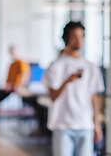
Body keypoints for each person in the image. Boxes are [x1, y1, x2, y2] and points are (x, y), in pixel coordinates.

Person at [42, 21, 105, 156]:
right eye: (74, 36)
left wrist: (97, 125)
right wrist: (67, 81)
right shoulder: (55, 66)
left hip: (85, 125)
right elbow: (52, 97)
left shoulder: (91, 67)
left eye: (81, 36)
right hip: (62, 125)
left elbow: (94, 97)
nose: (78, 40)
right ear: (66, 38)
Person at [0, 46, 30, 124]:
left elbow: (25, 75)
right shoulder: (12, 64)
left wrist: (19, 86)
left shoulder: (21, 62)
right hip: (10, 87)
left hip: (17, 87)